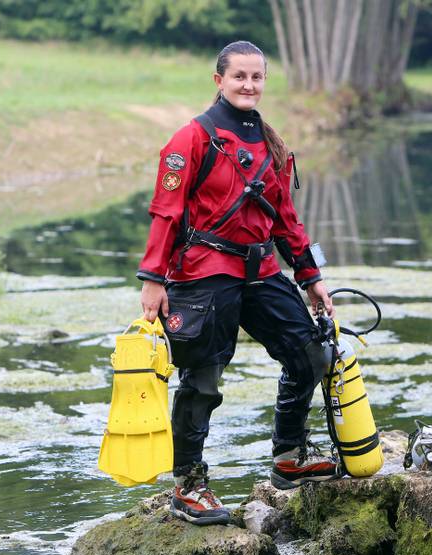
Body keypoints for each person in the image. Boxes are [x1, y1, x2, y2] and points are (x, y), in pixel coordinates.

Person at [137, 40, 338, 526]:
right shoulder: (189, 140)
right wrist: (153, 279)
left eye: (257, 77)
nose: (249, 85)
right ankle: (189, 485)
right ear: (219, 81)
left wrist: (311, 276)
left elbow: (288, 220)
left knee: (311, 350)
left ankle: (289, 456)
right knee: (202, 379)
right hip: (203, 274)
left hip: (262, 271)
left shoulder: (274, 144)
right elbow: (166, 213)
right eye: (239, 77)